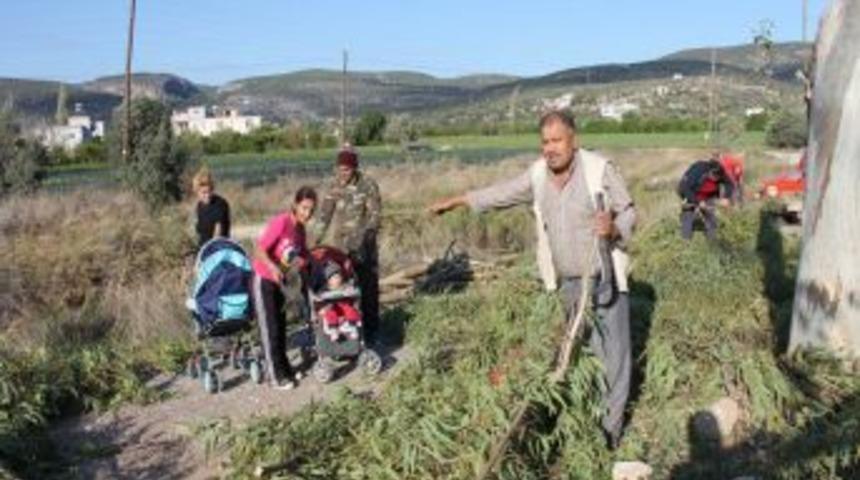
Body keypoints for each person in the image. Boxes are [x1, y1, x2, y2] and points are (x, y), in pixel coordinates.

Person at [429, 110, 636, 449]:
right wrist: (458, 201)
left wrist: (614, 228)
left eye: (557, 141)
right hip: (568, 284)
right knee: (581, 353)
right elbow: (502, 193)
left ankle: (611, 433)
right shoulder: (538, 175)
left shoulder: (598, 170)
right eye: (545, 142)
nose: (550, 148)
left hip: (604, 278)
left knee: (613, 355)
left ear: (573, 140)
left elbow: (628, 210)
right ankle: (587, 420)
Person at [252, 186, 317, 390]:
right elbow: (259, 249)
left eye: (311, 210)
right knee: (270, 329)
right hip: (263, 279)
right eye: (304, 208)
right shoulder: (281, 222)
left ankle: (284, 370)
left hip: (281, 283)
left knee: (280, 328)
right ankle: (274, 377)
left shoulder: (300, 230)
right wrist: (272, 267)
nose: (307, 213)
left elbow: (302, 254)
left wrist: (310, 262)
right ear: (296, 205)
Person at [316, 146, 382, 344]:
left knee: (368, 289)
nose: (342, 173)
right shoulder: (334, 185)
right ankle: (346, 330)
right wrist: (314, 242)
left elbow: (375, 217)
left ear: (354, 168)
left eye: (346, 169)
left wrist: (366, 239)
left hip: (364, 248)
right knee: (343, 291)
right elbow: (324, 216)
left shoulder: (368, 185)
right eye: (339, 169)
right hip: (341, 250)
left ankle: (372, 331)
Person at [677, 154, 734, 240]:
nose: (716, 178)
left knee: (711, 217)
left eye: (718, 177)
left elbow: (729, 184)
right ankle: (686, 241)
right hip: (691, 194)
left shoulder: (720, 172)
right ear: (709, 171)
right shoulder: (698, 171)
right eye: (714, 176)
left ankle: (712, 240)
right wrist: (697, 202)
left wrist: (726, 197)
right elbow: (684, 188)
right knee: (688, 217)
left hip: (708, 196)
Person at [317, 261, 362, 341]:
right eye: (335, 277)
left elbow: (353, 290)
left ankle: (353, 326)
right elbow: (319, 296)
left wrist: (350, 290)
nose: (338, 279)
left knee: (350, 308)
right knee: (330, 311)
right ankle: (333, 329)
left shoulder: (345, 286)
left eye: (339, 277)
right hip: (332, 307)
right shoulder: (325, 289)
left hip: (344, 307)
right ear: (329, 280)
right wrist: (321, 301)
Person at [192, 168, 231, 249]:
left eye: (209, 191)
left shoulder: (220, 204)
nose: (207, 195)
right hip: (203, 247)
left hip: (219, 248)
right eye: (204, 193)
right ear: (197, 192)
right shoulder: (199, 206)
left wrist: (212, 249)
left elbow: (218, 232)